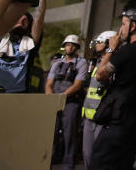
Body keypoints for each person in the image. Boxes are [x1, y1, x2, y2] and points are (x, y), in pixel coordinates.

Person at [89, 9, 136, 169]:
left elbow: (100, 75)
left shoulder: (127, 51)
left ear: (133, 26)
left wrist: (111, 48)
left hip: (118, 123)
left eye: (123, 24)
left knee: (100, 163)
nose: (120, 30)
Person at [0, 0, 46, 93]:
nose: (21, 22)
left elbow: (40, 15)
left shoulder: (30, 43)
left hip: (17, 95)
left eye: (25, 21)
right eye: (18, 19)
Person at [46, 34, 88, 170]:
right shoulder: (57, 63)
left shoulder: (81, 62)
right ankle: (47, 164)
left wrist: (62, 97)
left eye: (72, 45)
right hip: (54, 102)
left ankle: (68, 166)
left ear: (76, 47)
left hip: (70, 103)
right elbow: (49, 83)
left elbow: (78, 85)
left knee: (69, 135)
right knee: (49, 134)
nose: (69, 47)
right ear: (64, 46)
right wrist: (51, 98)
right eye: (67, 45)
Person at [82, 30, 117, 168]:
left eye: (100, 42)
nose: (97, 45)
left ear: (109, 43)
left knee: (100, 157)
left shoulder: (113, 64)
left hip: (103, 116)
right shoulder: (95, 63)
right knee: (87, 154)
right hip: (88, 115)